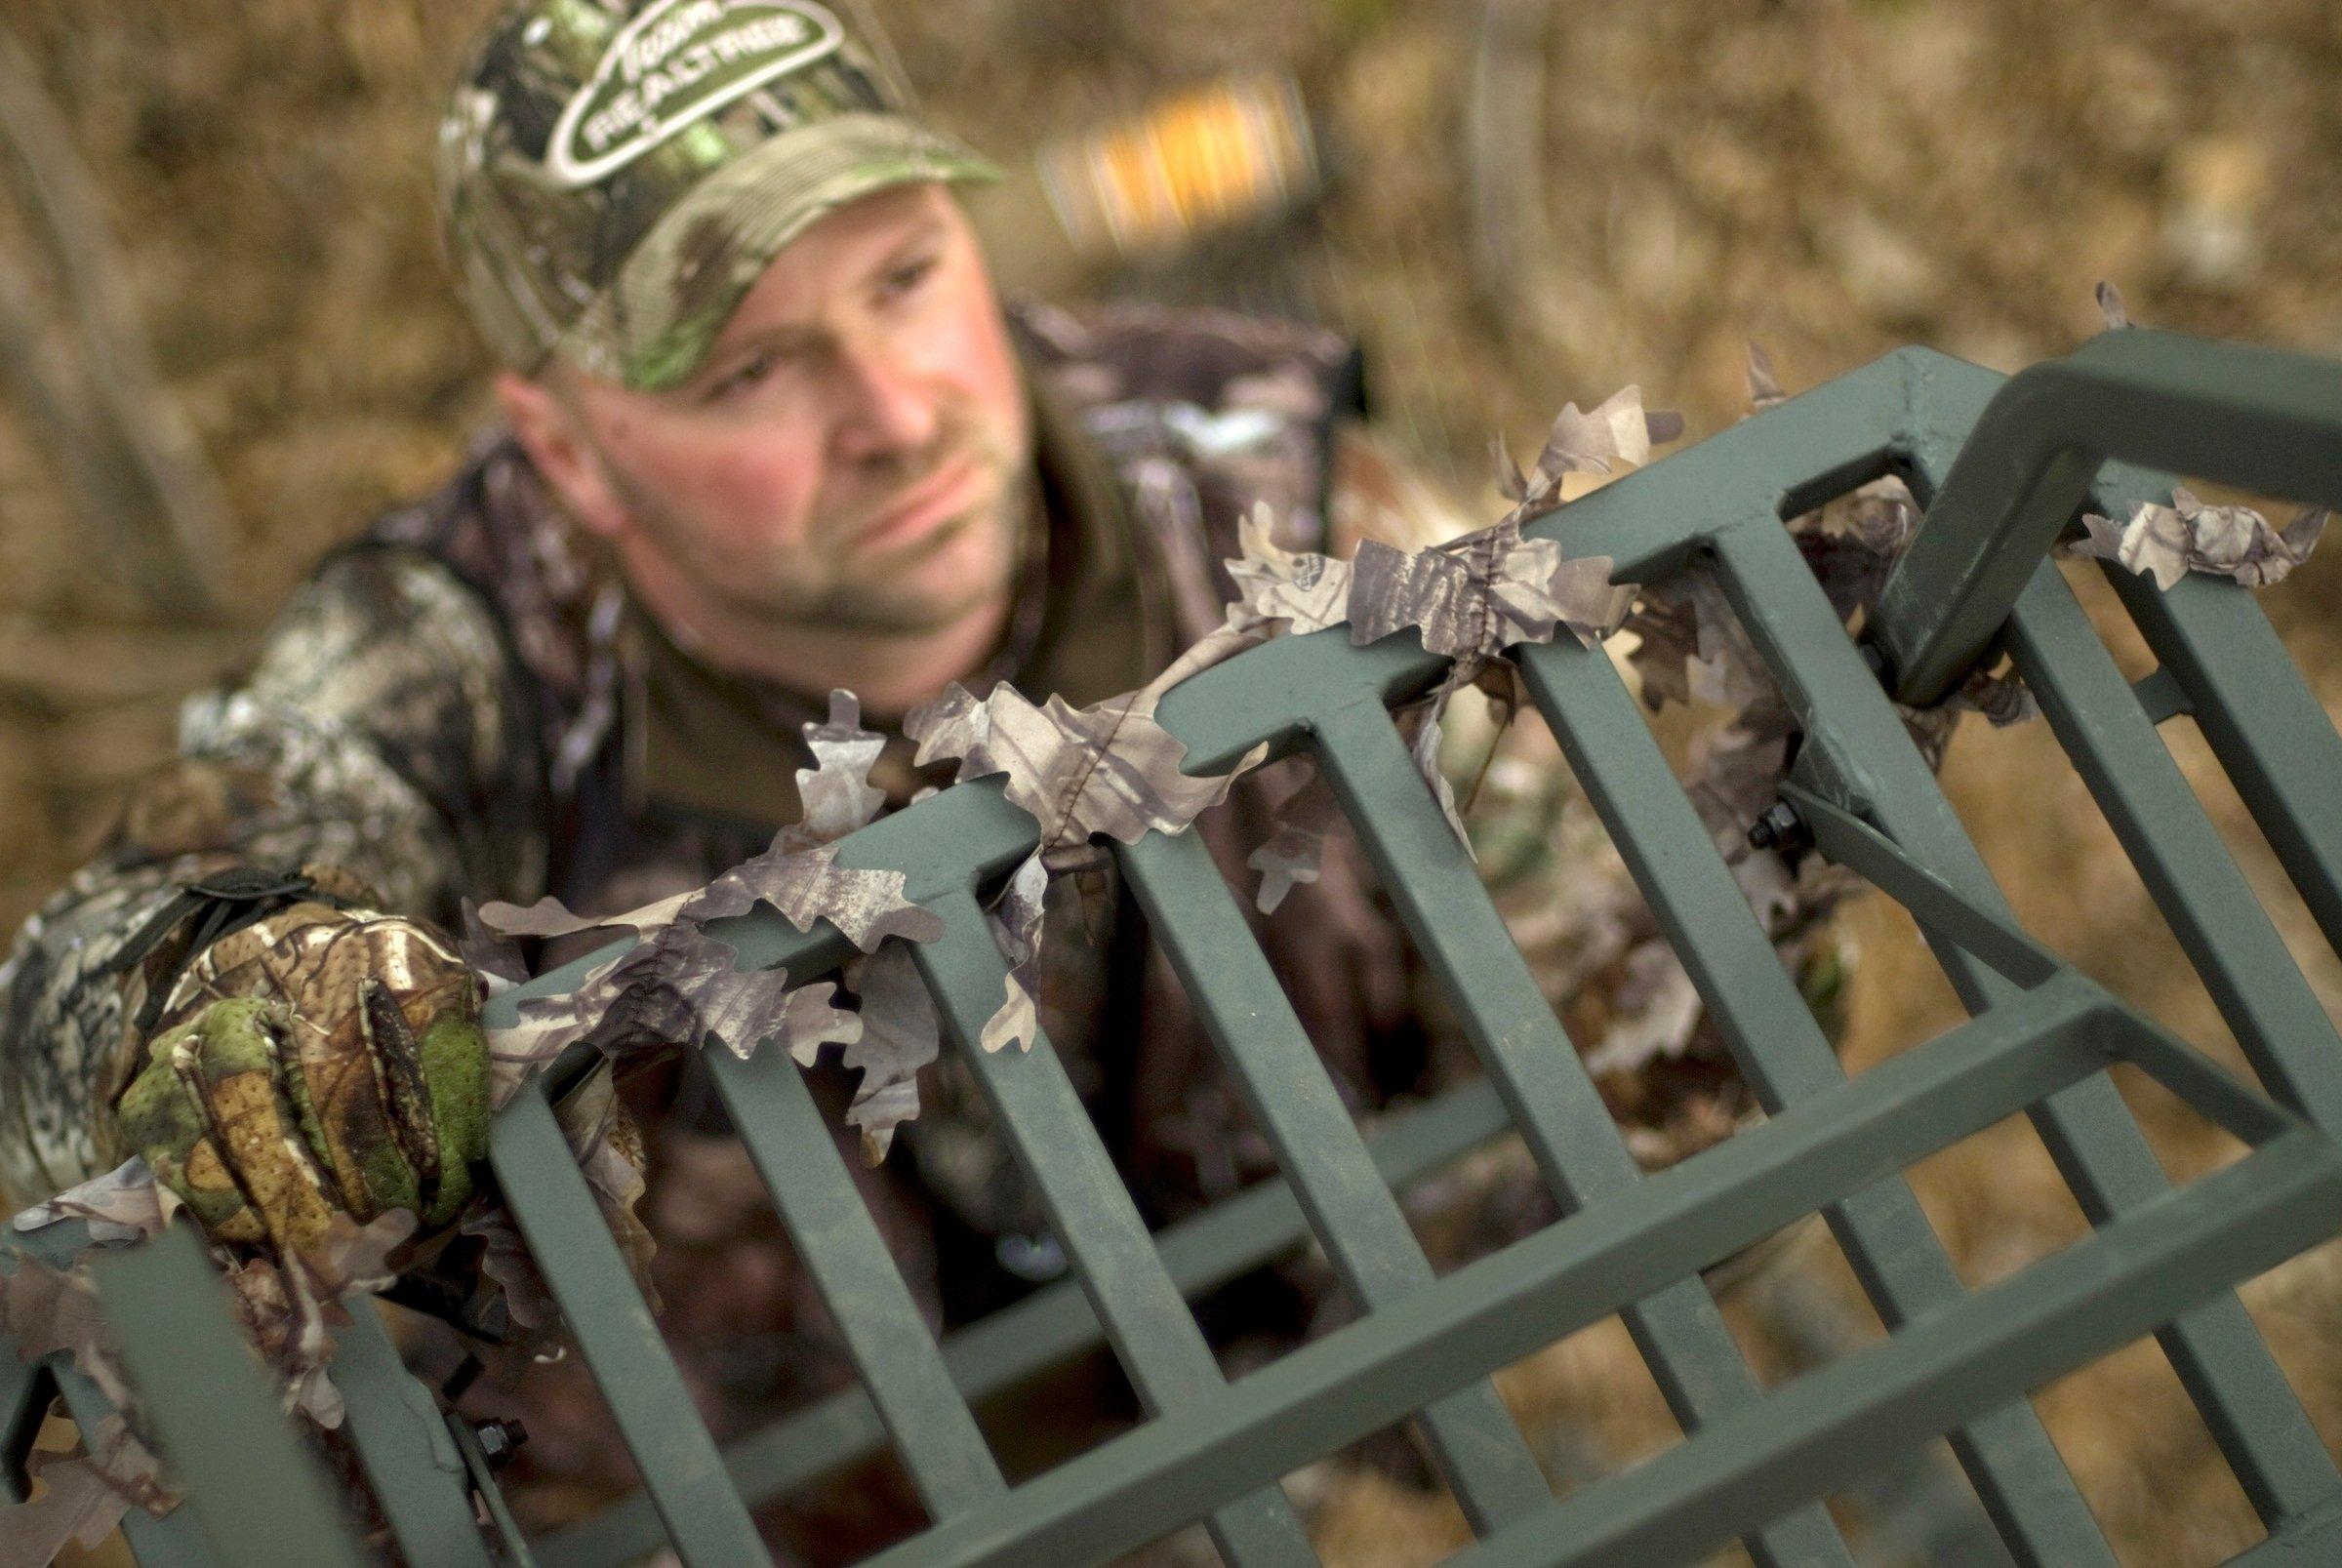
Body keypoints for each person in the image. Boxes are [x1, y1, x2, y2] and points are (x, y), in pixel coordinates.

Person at [0, 0, 1874, 1551]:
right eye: (749, 373)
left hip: (1236, 1460)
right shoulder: (464, 651)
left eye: (906, 277)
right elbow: (102, 967)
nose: (894, 415)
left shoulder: (1279, 500)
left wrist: (1696, 999)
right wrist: (239, 993)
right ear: (566, 452)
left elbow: (1575, 1111)